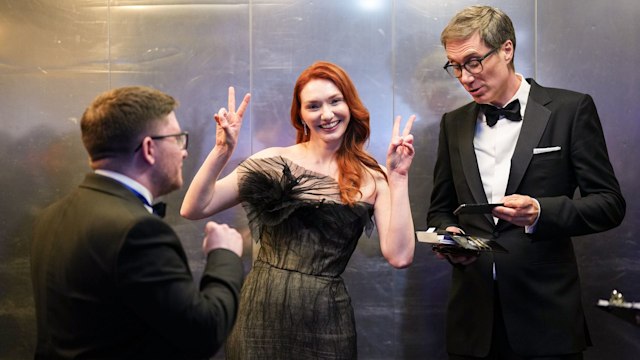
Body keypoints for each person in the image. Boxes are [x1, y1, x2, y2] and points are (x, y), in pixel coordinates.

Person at [427, 5, 626, 360]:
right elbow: (441, 209)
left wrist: (540, 212)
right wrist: (450, 237)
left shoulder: (570, 109)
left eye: (473, 61)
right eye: (454, 66)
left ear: (507, 49)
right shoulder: (453, 123)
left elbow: (609, 204)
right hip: (472, 324)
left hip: (546, 319)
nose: (464, 77)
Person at [181, 61, 416, 359]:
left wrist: (398, 178)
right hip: (259, 316)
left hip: (327, 320)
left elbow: (400, 256)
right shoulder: (271, 161)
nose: (327, 114)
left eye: (335, 101)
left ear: (350, 105)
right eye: (314, 106)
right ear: (301, 115)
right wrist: (222, 151)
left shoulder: (374, 176)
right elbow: (194, 207)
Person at [30, 86, 245, 359]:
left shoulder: (49, 217)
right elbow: (203, 333)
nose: (184, 152)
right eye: (178, 139)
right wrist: (224, 255)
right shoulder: (138, 231)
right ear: (148, 148)